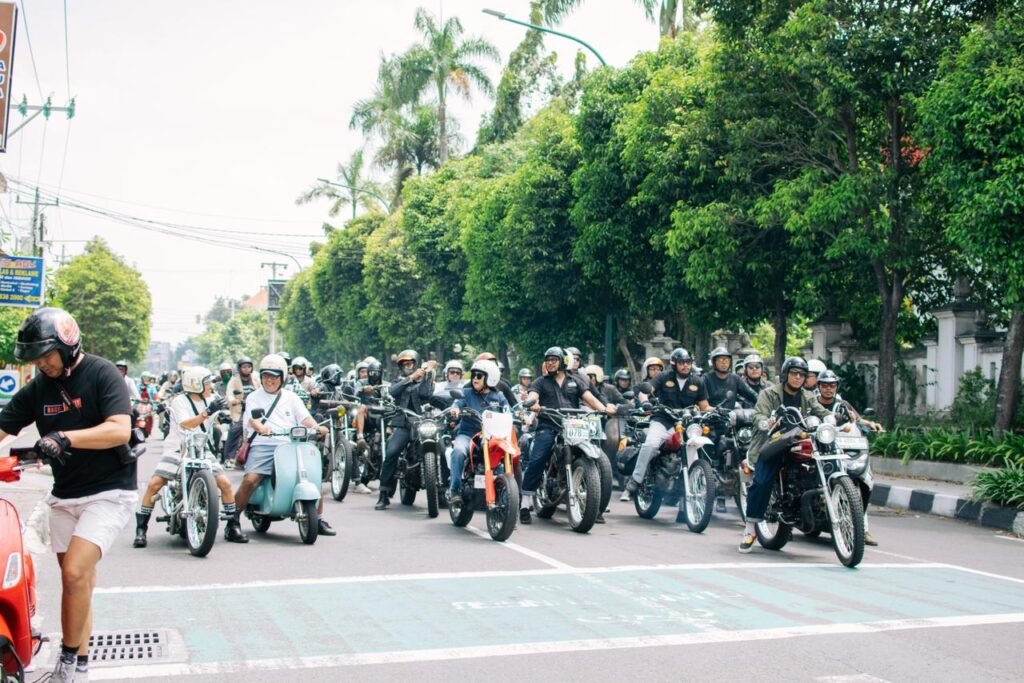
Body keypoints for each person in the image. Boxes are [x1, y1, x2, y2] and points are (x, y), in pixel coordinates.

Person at [0, 308, 137, 683]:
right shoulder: (39, 388)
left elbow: (119, 430)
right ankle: (81, 668)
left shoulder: (102, 373)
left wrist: (65, 438)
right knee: (78, 583)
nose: (41, 364)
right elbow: (3, 426)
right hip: (65, 495)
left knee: (76, 572)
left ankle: (66, 665)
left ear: (68, 345)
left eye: (47, 355)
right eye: (35, 358)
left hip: (109, 491)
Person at [132, 366, 248, 547]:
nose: (210, 385)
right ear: (196, 384)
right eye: (207, 382)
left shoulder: (212, 398)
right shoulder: (180, 401)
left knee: (225, 483)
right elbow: (186, 424)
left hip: (203, 449)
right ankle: (141, 530)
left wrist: (223, 416)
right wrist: (207, 413)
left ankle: (233, 526)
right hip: (178, 449)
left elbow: (219, 413)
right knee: (155, 484)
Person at [232, 355, 335, 536]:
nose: (269, 380)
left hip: (290, 444)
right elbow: (252, 420)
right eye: (266, 376)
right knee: (250, 480)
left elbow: (304, 418)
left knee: (313, 477)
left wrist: (317, 427)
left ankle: (317, 519)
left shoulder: (291, 397)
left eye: (274, 376)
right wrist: (261, 428)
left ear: (282, 378)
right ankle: (233, 521)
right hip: (263, 444)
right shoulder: (254, 397)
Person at [738, 356, 832, 553]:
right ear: (785, 374)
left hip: (799, 442)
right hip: (771, 444)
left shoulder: (807, 397)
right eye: (794, 373)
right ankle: (750, 527)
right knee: (762, 481)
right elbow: (759, 415)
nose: (798, 377)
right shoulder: (769, 394)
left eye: (802, 374)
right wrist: (767, 422)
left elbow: (821, 412)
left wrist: (834, 419)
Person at [519, 347, 617, 525]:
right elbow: (533, 395)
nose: (550, 363)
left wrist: (604, 408)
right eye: (547, 359)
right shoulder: (541, 382)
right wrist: (532, 403)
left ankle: (593, 501)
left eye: (554, 359)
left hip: (572, 426)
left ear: (563, 361)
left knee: (590, 452)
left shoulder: (575, 381)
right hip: (549, 425)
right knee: (537, 458)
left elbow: (590, 399)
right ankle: (525, 504)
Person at [622, 347, 710, 503]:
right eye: (682, 363)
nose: (686, 366)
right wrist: (646, 402)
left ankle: (691, 491)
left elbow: (705, 407)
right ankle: (633, 483)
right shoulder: (663, 377)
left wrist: (721, 411)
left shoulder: (698, 381)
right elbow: (645, 392)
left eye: (688, 363)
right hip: (663, 420)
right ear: (674, 364)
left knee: (695, 450)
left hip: (686, 424)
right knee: (650, 444)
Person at [375, 349, 436, 510]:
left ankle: (444, 491)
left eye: (410, 363)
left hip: (423, 423)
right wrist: (411, 378)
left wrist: (427, 374)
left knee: (442, 448)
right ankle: (383, 494)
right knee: (392, 452)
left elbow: (426, 394)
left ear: (416, 363)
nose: (407, 366)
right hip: (403, 424)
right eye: (404, 364)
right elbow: (392, 392)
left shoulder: (426, 378)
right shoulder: (399, 380)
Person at [447, 360, 510, 504]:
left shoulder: (498, 396)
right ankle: (454, 490)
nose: (475, 378)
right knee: (457, 451)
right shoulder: (467, 393)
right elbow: (457, 403)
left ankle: (509, 501)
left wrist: (519, 416)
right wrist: (455, 409)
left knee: (507, 457)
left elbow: (508, 410)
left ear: (490, 378)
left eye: (479, 376)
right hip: (468, 435)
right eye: (474, 375)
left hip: (492, 436)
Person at [223, 356, 257, 463]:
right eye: (244, 367)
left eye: (249, 366)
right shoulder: (234, 380)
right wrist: (235, 400)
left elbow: (262, 391)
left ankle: (253, 457)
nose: (247, 369)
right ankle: (229, 458)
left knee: (258, 432)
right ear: (239, 368)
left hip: (254, 410)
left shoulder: (256, 379)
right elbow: (229, 394)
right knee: (234, 430)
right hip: (240, 410)